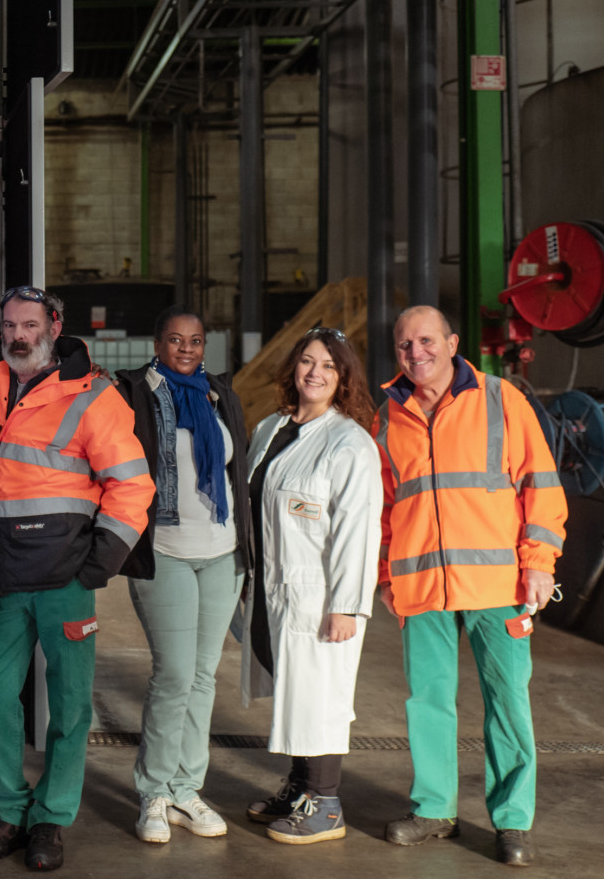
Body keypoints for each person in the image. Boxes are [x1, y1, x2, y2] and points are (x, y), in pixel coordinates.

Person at [0, 286, 155, 871]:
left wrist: (99, 564)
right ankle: (7, 811)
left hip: (67, 578)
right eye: (9, 324)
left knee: (69, 709)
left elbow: (133, 486)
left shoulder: (94, 396)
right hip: (0, 578)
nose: (17, 335)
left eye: (28, 325)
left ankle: (50, 819)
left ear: (53, 326)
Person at [375, 307, 567, 868]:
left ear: (452, 342)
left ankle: (512, 821)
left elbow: (542, 482)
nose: (417, 353)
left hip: (498, 584)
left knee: (507, 702)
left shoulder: (501, 399)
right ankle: (435, 809)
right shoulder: (388, 415)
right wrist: (387, 574)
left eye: (427, 340)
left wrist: (539, 562)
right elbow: (385, 508)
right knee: (427, 702)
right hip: (422, 588)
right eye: (405, 344)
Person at [111, 307, 251, 845]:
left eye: (195, 340)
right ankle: (154, 791)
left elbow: (236, 473)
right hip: (164, 550)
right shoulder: (134, 393)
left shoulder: (220, 395)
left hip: (221, 552)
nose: (186, 349)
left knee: (202, 677)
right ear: (157, 342)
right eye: (175, 339)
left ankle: (187, 788)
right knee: (173, 675)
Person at [239, 328, 383, 846]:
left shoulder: (350, 443)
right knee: (293, 689)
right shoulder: (272, 428)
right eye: (306, 362)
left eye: (328, 365)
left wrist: (347, 605)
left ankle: (325, 804)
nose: (315, 373)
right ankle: (300, 788)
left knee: (320, 694)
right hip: (273, 590)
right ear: (293, 369)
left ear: (343, 377)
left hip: (320, 596)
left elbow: (359, 531)